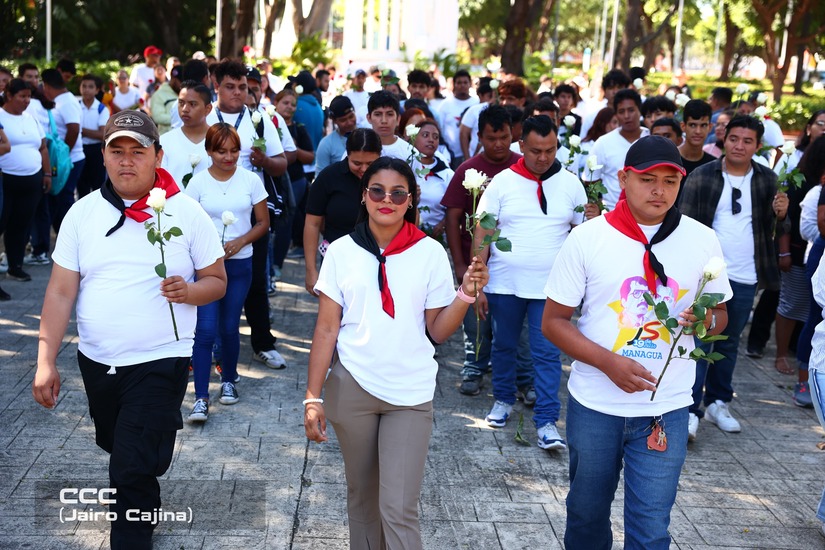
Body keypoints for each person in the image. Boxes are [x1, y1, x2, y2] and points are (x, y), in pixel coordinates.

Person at [32, 109, 226, 549]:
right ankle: (142, 494)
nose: (126, 160)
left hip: (161, 358)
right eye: (116, 151)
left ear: (158, 156)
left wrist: (189, 291)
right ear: (103, 156)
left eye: (137, 152)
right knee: (120, 447)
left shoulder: (186, 212)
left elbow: (217, 280)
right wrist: (45, 361)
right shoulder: (81, 214)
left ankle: (131, 531)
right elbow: (60, 292)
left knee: (130, 464)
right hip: (97, 361)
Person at [542, 135, 732, 550]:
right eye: (648, 179)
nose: (659, 190)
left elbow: (720, 316)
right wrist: (607, 363)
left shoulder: (702, 240)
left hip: (667, 406)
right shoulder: (588, 238)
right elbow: (553, 323)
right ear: (624, 178)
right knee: (586, 517)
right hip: (596, 405)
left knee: (651, 529)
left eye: (670, 181)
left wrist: (704, 321)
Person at [303, 156, 489, 549]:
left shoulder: (430, 252)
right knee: (363, 499)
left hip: (410, 393)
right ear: (363, 196)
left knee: (398, 507)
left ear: (411, 200)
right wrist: (312, 397)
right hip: (351, 387)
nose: (386, 199)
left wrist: (465, 294)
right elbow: (326, 328)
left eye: (398, 193)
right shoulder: (340, 251)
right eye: (377, 191)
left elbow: (438, 331)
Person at [475, 115, 585, 450]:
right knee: (503, 345)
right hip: (504, 283)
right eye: (536, 150)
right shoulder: (502, 182)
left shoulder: (571, 184)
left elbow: (583, 234)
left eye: (550, 150)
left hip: (551, 289)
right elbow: (483, 229)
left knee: (548, 353)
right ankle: (503, 400)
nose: (543, 157)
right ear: (521, 145)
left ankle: (547, 421)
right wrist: (477, 280)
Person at [680, 115, 788, 439]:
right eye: (734, 139)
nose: (739, 146)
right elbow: (683, 224)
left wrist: (782, 213)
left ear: (758, 146)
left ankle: (718, 402)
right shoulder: (702, 175)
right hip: (704, 276)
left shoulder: (768, 180)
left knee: (729, 342)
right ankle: (690, 409)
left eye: (747, 141)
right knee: (699, 339)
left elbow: (779, 228)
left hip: (745, 276)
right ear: (724, 139)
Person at [441, 105, 534, 398]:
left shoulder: (524, 167)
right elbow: (452, 218)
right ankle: (474, 367)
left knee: (519, 326)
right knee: (475, 320)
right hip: (475, 261)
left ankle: (525, 378)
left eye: (504, 137)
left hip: (514, 264)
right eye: (491, 138)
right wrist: (459, 264)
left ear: (513, 135)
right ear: (479, 137)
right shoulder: (467, 170)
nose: (498, 144)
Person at [205, 59, 289, 370]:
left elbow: (281, 164)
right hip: (209, 208)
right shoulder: (204, 117)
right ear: (217, 86)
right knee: (206, 277)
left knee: (255, 280)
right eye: (230, 86)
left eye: (242, 87)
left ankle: (262, 343)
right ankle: (206, 345)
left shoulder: (259, 119)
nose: (238, 92)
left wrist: (264, 161)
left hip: (250, 210)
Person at [184, 123, 269, 420]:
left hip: (240, 262)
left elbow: (263, 222)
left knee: (230, 326)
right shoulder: (197, 184)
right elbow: (187, 225)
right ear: (209, 151)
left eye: (234, 151)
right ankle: (200, 397)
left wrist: (240, 241)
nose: (229, 157)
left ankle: (229, 380)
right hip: (206, 267)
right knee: (205, 329)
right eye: (221, 151)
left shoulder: (251, 180)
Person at [303, 129, 382, 295]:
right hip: (337, 261)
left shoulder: (389, 178)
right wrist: (311, 269)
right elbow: (312, 223)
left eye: (370, 163)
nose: (364, 169)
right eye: (357, 163)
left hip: (378, 260)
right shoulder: (329, 177)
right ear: (347, 155)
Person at [0, 79, 49, 286]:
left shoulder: (31, 118)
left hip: (32, 180)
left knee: (21, 226)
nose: (27, 101)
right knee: (2, 223)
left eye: (29, 96)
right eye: (22, 96)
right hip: (5, 180)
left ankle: (15, 267)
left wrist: (47, 174)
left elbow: (43, 147)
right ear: (9, 96)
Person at [271, 88, 314, 275]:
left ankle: (277, 265)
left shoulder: (299, 128)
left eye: (293, 104)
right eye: (285, 103)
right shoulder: (268, 126)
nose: (289, 107)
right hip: (272, 179)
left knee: (285, 222)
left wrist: (295, 150)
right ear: (276, 103)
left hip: (295, 181)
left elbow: (310, 156)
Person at [41, 68, 86, 234]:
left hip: (69, 159)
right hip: (65, 158)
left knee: (64, 200)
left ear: (46, 85)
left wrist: (63, 155)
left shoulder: (66, 102)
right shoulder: (62, 99)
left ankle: (70, 236)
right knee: (58, 200)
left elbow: (73, 129)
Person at [590, 89, 650, 210]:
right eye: (621, 111)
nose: (626, 116)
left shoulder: (651, 138)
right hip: (612, 211)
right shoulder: (603, 143)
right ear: (616, 114)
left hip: (647, 210)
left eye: (631, 110)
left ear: (639, 110)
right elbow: (591, 180)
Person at [160, 82, 212, 185]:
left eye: (192, 104)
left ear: (208, 109)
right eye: (181, 103)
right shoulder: (165, 141)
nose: (185, 109)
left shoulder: (220, 140)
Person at [411, 119, 453, 242]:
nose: (431, 140)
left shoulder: (447, 174)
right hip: (409, 235)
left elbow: (455, 207)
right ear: (414, 137)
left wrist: (443, 224)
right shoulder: (406, 169)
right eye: (425, 135)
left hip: (438, 237)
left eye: (435, 137)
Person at [438, 70, 478, 168]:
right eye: (459, 83)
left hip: (473, 154)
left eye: (465, 82)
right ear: (454, 84)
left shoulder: (477, 103)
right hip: (451, 155)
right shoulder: (445, 105)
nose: (462, 85)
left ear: (470, 84)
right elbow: (439, 128)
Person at [78, 74, 108, 197]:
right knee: (81, 186)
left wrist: (80, 131)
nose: (86, 90)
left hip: (96, 150)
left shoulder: (101, 108)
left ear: (97, 90)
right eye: (84, 86)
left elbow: (102, 135)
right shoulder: (76, 106)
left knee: (98, 186)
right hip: (80, 149)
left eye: (90, 87)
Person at [367, 90, 417, 160]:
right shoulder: (358, 148)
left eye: (389, 114)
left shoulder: (411, 153)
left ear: (398, 119)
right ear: (369, 118)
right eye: (378, 114)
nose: (384, 121)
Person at [315, 95, 357, 173]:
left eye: (351, 116)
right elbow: (320, 176)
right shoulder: (326, 144)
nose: (349, 122)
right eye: (343, 120)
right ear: (334, 121)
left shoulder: (367, 135)